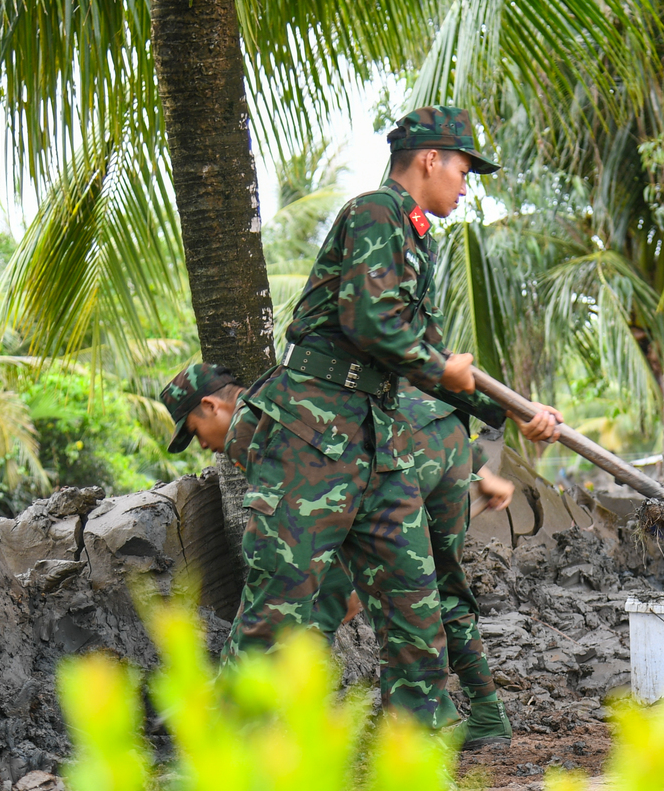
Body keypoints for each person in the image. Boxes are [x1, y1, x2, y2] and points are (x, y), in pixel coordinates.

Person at [226, 105, 560, 744]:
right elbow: (371, 323)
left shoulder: (414, 238)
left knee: (413, 593)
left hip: (376, 436)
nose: (466, 186)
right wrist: (439, 366)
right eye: (463, 170)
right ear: (431, 159)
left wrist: (521, 414)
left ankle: (421, 745)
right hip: (312, 432)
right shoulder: (375, 212)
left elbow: (431, 360)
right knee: (280, 603)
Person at [160, 360, 520, 649]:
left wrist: (346, 580)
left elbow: (300, 529)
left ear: (210, 405)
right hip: (408, 477)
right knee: (434, 602)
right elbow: (401, 412)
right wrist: (480, 471)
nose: (201, 445)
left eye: (194, 431)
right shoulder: (287, 390)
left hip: (377, 496)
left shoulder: (250, 429)